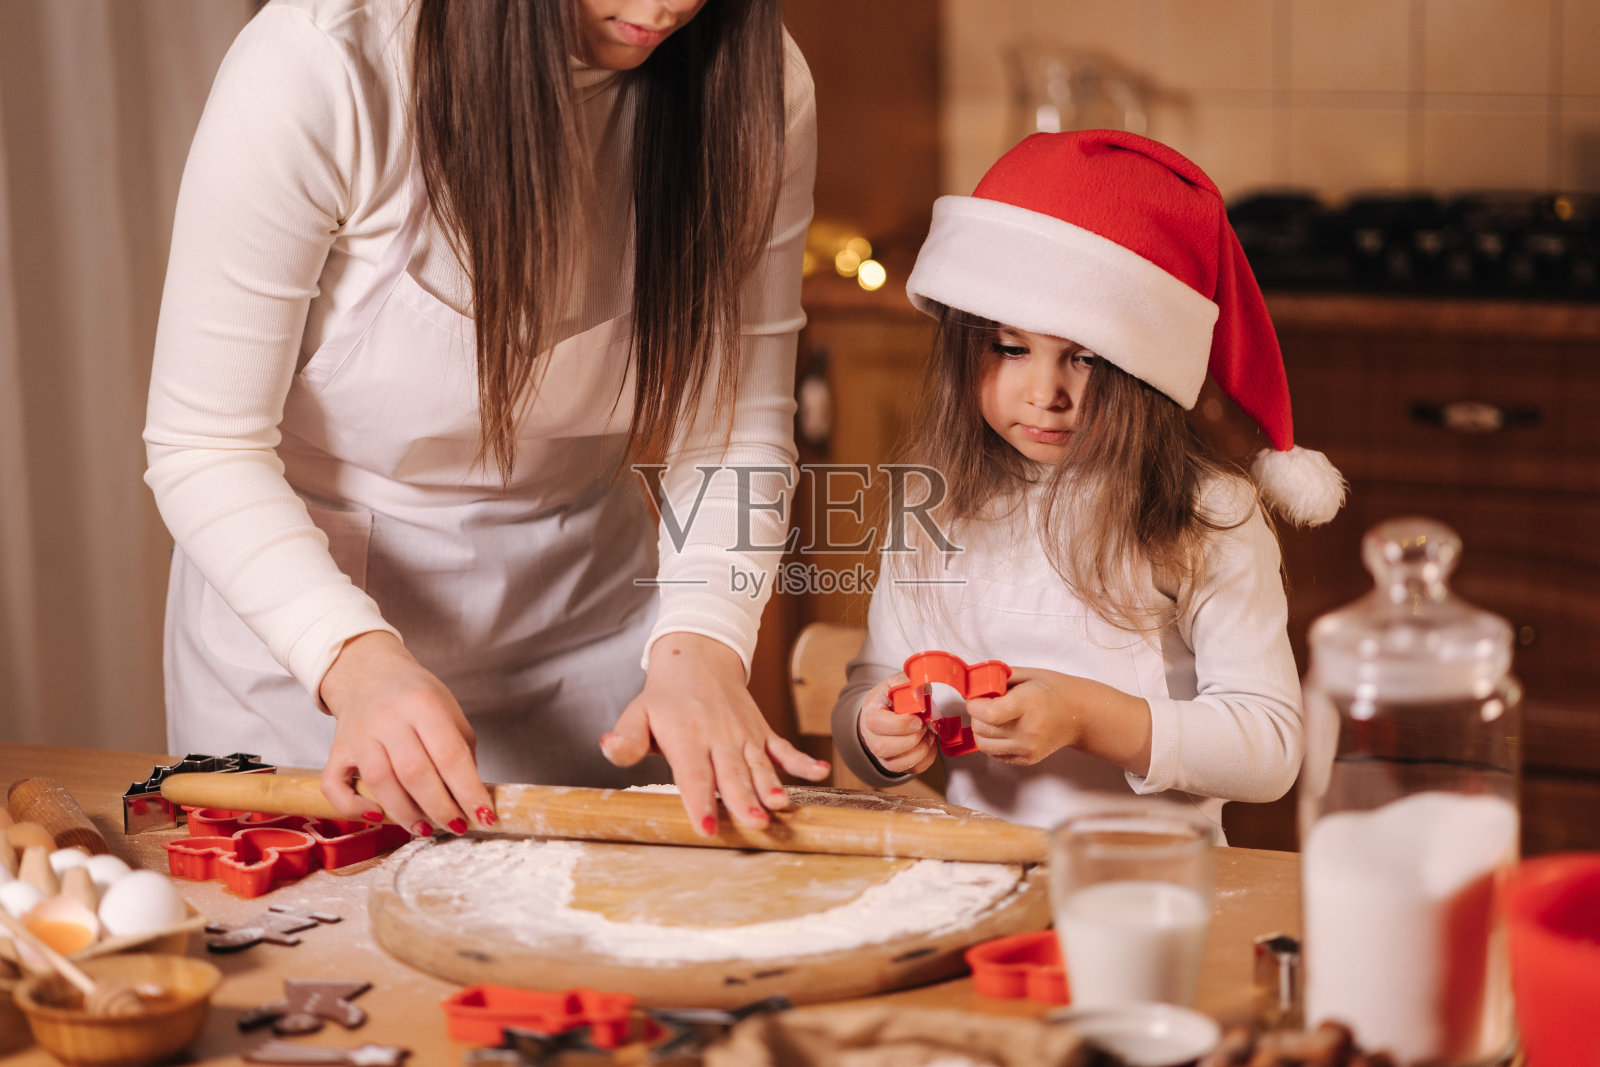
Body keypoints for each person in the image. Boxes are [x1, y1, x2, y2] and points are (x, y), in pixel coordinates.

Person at [143, 0, 828, 843]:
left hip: (586, 633)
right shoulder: (324, 65)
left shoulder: (753, 81)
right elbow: (205, 445)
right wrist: (352, 658)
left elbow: (734, 427)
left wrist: (704, 642)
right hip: (305, 638)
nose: (668, 7)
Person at [830, 130, 1347, 833]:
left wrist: (1085, 717)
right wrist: (875, 735)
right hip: (982, 876)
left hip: (1159, 889)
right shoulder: (936, 505)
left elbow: (1271, 747)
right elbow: (873, 682)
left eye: (1086, 359)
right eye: (1009, 348)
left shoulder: (1207, 515)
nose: (1044, 391)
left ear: (1146, 364)